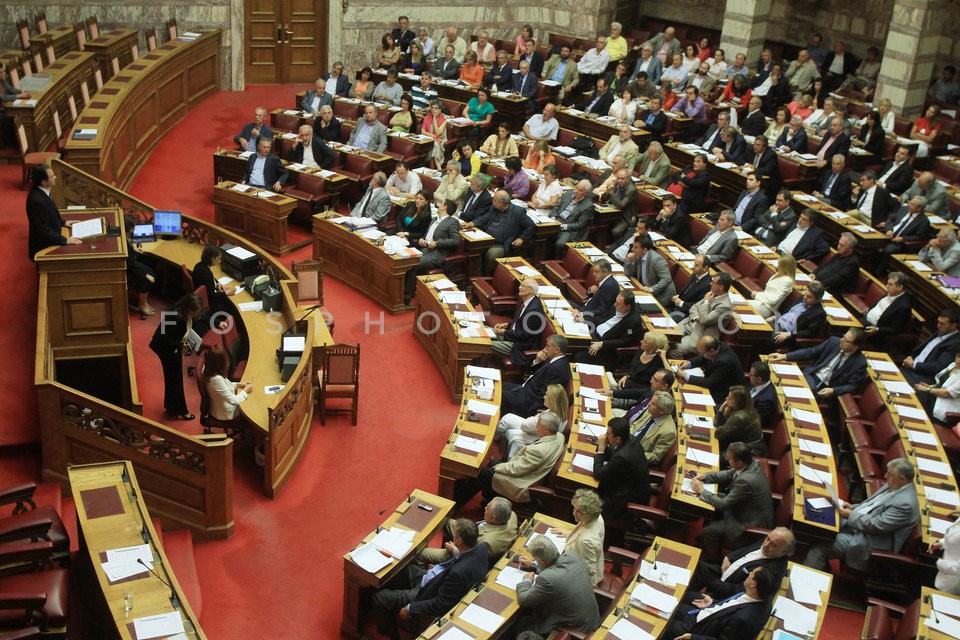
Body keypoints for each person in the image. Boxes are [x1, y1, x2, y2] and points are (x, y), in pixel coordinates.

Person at [369, 519, 488, 640]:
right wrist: (456, 551)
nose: (452, 536)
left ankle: (392, 635)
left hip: (425, 592)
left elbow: (441, 603)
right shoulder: (481, 549)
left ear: (459, 540)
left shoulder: (457, 573)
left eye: (454, 535)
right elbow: (465, 558)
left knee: (379, 597)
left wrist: (411, 608)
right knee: (403, 568)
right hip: (432, 577)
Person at [804, 458, 919, 572]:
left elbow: (877, 525)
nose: (885, 476)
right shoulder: (896, 485)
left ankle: (806, 585)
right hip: (858, 525)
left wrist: (851, 515)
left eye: (889, 473)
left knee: (820, 547)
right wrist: (852, 507)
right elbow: (871, 505)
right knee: (815, 522)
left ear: (901, 479)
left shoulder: (905, 504)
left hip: (868, 540)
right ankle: (822, 569)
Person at [689, 442, 774, 562]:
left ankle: (710, 562)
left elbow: (724, 504)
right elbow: (727, 474)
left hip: (748, 525)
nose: (726, 459)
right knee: (707, 501)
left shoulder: (746, 480)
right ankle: (703, 543)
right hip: (743, 509)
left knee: (709, 531)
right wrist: (704, 476)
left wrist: (702, 491)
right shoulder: (750, 464)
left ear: (739, 463)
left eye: (729, 459)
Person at [515, 537, 601, 636]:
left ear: (542, 562)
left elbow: (524, 599)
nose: (534, 560)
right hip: (591, 621)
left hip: (575, 632)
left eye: (536, 559)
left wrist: (527, 581)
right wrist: (534, 564)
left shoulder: (547, 579)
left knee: (524, 623)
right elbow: (558, 571)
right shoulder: (572, 556)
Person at [664, 566, 778, 640]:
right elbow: (733, 604)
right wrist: (713, 603)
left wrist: (692, 637)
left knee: (661, 624)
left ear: (753, 584)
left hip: (696, 630)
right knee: (669, 603)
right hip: (703, 613)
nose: (748, 574)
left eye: (751, 574)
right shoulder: (764, 596)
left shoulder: (743, 619)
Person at [477, 411, 565, 503]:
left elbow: (517, 469)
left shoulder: (539, 451)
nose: (536, 426)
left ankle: (462, 500)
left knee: (481, 473)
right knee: (491, 464)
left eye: (538, 423)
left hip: (521, 483)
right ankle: (490, 498)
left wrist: (500, 467)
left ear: (546, 429)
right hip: (530, 471)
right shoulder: (559, 437)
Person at [687, 528, 794, 601]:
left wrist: (715, 584)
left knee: (686, 598)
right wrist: (730, 557)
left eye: (773, 545)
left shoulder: (771, 572)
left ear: (783, 552)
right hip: (724, 573)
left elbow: (743, 591)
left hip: (725, 592)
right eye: (767, 539)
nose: (766, 544)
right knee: (698, 566)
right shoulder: (770, 542)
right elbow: (746, 550)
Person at [149, 293, 208, 421]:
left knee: (172, 378)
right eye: (195, 312)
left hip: (174, 346)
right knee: (175, 380)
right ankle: (182, 410)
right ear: (188, 308)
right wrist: (180, 344)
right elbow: (162, 336)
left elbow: (200, 320)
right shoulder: (174, 316)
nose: (197, 315)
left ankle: (171, 406)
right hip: (166, 349)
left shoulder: (185, 313)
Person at [768, 327, 868, 400]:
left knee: (793, 395)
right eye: (843, 337)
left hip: (826, 388)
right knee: (780, 385)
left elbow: (853, 386)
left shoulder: (860, 362)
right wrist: (785, 356)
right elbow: (810, 352)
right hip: (810, 375)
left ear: (857, 346)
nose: (842, 340)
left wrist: (833, 391)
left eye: (847, 341)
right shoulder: (833, 342)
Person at [417, 498, 518, 566]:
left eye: (487, 509)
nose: (485, 508)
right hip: (469, 532)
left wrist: (454, 550)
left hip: (461, 552)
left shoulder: (486, 543)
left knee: (419, 554)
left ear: (493, 517)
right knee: (443, 520)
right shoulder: (511, 515)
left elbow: (470, 560)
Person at [402, 198, 462, 304]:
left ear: (445, 207)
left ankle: (407, 297)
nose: (438, 205)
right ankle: (403, 291)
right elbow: (426, 235)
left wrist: (438, 243)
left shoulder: (453, 222)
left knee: (412, 264)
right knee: (403, 260)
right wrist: (421, 239)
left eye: (441, 203)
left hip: (437, 254)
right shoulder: (435, 219)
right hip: (424, 249)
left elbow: (456, 240)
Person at [594, 417, 651, 523]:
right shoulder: (631, 439)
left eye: (608, 434)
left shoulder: (622, 457)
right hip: (631, 488)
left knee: (590, 497)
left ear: (618, 438)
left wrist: (601, 450)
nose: (605, 435)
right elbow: (614, 451)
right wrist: (605, 446)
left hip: (626, 500)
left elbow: (598, 474)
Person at [499, 334, 571, 418]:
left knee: (500, 395)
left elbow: (544, 394)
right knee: (503, 386)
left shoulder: (558, 369)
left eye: (547, 346)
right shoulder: (554, 359)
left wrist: (529, 414)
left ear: (557, 350)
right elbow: (537, 373)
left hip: (526, 400)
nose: (545, 349)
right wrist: (537, 361)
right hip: (526, 388)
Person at [467, 189, 536, 271]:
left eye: (494, 199)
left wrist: (521, 239)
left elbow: (531, 225)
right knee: (472, 247)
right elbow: (485, 218)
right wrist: (471, 223)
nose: (492, 200)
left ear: (501, 203)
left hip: (502, 244)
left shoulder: (517, 212)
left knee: (491, 254)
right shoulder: (494, 208)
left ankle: (487, 275)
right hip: (486, 238)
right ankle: (475, 273)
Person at [496, 382, 567, 459]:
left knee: (507, 419)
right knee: (508, 420)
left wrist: (533, 418)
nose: (544, 397)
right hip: (537, 433)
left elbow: (525, 426)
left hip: (535, 437)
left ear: (552, 401)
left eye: (546, 395)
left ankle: (493, 440)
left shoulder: (547, 419)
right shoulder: (561, 412)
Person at [671, 273, 735, 359]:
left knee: (673, 350)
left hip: (699, 337)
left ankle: (681, 369)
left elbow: (705, 320)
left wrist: (705, 302)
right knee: (665, 338)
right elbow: (693, 307)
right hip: (687, 325)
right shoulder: (711, 293)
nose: (710, 283)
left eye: (713, 282)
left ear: (721, 287)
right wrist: (697, 318)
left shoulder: (725, 306)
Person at [549, 490, 605, 585]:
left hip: (578, 580)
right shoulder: (596, 516)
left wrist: (561, 568)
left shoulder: (586, 541)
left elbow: (589, 571)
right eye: (574, 508)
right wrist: (571, 533)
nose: (573, 513)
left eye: (579, 511)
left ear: (588, 514)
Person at [755, 283, 827, 355]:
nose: (805, 297)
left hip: (784, 333)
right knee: (755, 330)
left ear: (818, 300)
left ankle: (752, 361)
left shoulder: (819, 313)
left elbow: (810, 332)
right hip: (777, 323)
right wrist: (774, 317)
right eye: (805, 294)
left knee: (762, 340)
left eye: (809, 296)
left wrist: (788, 334)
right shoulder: (801, 298)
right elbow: (788, 312)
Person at [578, 290, 643, 370]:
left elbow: (625, 341)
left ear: (627, 307)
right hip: (593, 334)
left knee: (579, 357)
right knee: (574, 342)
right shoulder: (615, 307)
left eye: (618, 303)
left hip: (605, 349)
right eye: (616, 301)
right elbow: (601, 318)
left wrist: (602, 344)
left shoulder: (633, 321)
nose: (615, 304)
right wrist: (584, 319)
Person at [26, 164, 80, 258]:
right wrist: (66, 240)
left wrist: (63, 222)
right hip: (44, 247)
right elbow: (42, 231)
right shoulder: (36, 201)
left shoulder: (43, 190)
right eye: (52, 177)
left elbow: (50, 214)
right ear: (44, 182)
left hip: (54, 235)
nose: (55, 177)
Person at [606, 331, 669, 409]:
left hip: (635, 395)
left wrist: (663, 358)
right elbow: (633, 369)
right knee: (606, 375)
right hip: (625, 386)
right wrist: (626, 376)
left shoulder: (659, 361)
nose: (641, 341)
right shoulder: (642, 351)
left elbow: (671, 376)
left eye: (645, 341)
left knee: (606, 399)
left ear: (652, 348)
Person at [490, 278, 547, 365]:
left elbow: (524, 335)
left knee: (486, 344)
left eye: (522, 286)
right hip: (512, 335)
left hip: (519, 345)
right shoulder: (528, 302)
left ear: (530, 290)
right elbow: (520, 321)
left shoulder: (534, 311)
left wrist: (505, 333)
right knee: (484, 331)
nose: (519, 288)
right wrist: (507, 324)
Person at [679, 335, 747, 405]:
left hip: (726, 394)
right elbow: (702, 357)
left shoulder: (724, 361)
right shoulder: (717, 347)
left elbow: (709, 383)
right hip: (716, 384)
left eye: (701, 353)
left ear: (711, 350)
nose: (700, 354)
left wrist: (685, 375)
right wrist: (689, 363)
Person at [902, 309, 960, 385]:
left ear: (953, 326)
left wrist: (914, 365)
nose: (938, 325)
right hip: (910, 368)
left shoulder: (955, 343)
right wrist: (910, 360)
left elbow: (938, 367)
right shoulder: (942, 332)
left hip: (922, 377)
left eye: (942, 323)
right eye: (938, 322)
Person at [202, 345, 252, 421]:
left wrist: (239, 384)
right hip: (227, 413)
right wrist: (245, 391)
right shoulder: (217, 380)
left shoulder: (208, 369)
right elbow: (234, 401)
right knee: (252, 403)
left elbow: (225, 387)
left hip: (220, 406)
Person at [715, 386, 765, 458]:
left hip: (749, 452)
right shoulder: (748, 408)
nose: (726, 399)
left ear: (739, 402)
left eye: (730, 398)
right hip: (743, 445)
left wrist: (721, 409)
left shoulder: (739, 417)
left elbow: (718, 434)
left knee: (717, 457)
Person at [862, 272, 913, 341]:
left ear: (900, 287)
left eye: (890, 284)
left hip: (874, 333)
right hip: (865, 320)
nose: (886, 286)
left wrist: (877, 329)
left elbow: (895, 329)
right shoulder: (891, 292)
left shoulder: (904, 307)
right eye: (887, 283)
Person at [627, 235, 675, 306]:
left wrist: (651, 289)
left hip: (661, 296)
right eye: (633, 246)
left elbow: (667, 279)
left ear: (645, 250)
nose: (632, 249)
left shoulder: (656, 260)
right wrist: (628, 261)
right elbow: (628, 273)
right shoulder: (638, 256)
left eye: (636, 247)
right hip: (645, 290)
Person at [917, 349, 960, 423]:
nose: (959, 360)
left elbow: (947, 393)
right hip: (934, 399)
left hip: (943, 410)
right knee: (916, 393)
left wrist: (927, 389)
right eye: (959, 356)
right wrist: (930, 386)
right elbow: (942, 384)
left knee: (919, 400)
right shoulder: (953, 365)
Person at [553, 180, 595, 255]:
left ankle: (556, 260)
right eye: (576, 188)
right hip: (556, 220)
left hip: (569, 228)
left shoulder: (589, 206)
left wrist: (563, 226)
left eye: (580, 190)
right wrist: (553, 218)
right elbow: (556, 207)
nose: (576, 191)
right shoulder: (569, 193)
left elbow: (580, 224)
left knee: (560, 244)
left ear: (586, 193)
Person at [193, 244, 236, 317]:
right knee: (232, 307)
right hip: (209, 304)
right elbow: (211, 295)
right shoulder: (206, 273)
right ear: (212, 258)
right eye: (218, 259)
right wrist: (227, 293)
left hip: (200, 299)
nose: (219, 261)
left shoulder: (199, 265)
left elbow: (211, 279)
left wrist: (218, 284)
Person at [750, 253, 796, 319]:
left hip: (767, 308)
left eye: (779, 265)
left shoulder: (787, 281)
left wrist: (757, 295)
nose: (777, 266)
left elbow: (773, 300)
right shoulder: (777, 274)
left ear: (785, 267)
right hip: (760, 302)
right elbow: (768, 293)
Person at [930, 511, 960, 595]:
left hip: (954, 582)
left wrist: (939, 563)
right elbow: (956, 537)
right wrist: (941, 543)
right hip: (944, 575)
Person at [746, 362, 777, 426]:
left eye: (751, 374)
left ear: (759, 379)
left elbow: (753, 421)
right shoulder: (757, 384)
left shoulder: (767, 400)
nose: (749, 375)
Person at [420, 100, 447, 170]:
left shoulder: (443, 120)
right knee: (434, 143)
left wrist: (434, 120)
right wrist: (434, 136)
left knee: (435, 144)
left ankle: (435, 168)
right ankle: (438, 168)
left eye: (436, 108)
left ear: (440, 110)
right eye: (432, 108)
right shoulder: (427, 117)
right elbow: (423, 131)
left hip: (441, 141)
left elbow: (438, 133)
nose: (434, 110)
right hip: (428, 139)